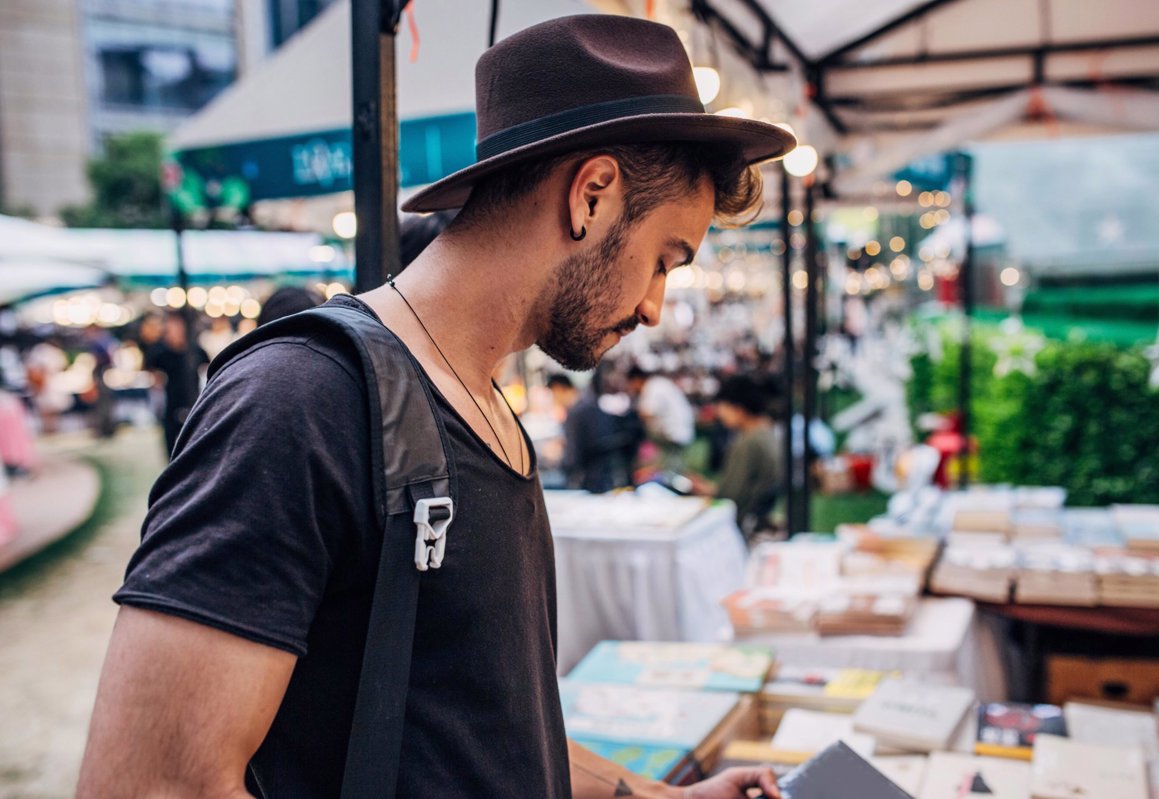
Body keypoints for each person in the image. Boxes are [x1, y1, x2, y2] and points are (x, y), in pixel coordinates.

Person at [79, 15, 794, 799]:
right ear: (592, 194)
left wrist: (659, 797)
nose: (656, 305)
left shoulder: (483, 408)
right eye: (665, 259)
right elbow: (152, 783)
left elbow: (485, 725)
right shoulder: (302, 400)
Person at [692, 375, 785, 537]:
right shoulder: (768, 433)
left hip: (741, 526)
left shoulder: (748, 443)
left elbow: (729, 497)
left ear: (738, 408)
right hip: (760, 518)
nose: (720, 414)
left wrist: (704, 492)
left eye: (723, 407)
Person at [143, 310, 209, 458]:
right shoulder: (160, 353)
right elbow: (152, 375)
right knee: (172, 451)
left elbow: (206, 371)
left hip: (194, 405)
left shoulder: (196, 351)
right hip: (170, 406)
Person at [551, 372, 631, 494]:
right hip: (610, 476)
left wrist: (558, 462)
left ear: (558, 389)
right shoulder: (590, 405)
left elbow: (572, 459)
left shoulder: (574, 413)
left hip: (589, 482)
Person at [627, 364, 695, 472]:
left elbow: (646, 414)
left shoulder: (652, 387)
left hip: (674, 434)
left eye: (631, 384)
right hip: (681, 432)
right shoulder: (658, 383)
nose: (631, 388)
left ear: (636, 380)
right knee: (670, 466)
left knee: (639, 436)